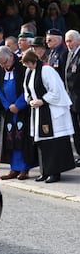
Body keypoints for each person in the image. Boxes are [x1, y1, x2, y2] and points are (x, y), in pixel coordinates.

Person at [22, 50, 75, 183]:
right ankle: (45, 171)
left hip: (51, 112)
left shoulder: (47, 70)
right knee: (42, 143)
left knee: (52, 143)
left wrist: (43, 100)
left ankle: (55, 172)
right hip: (38, 112)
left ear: (33, 61)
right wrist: (29, 100)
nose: (28, 67)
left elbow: (56, 91)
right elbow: (26, 89)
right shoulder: (30, 71)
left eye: (29, 64)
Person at [0, 46, 36, 180]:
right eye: (0, 63)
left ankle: (24, 168)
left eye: (5, 62)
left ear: (11, 57)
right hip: (9, 110)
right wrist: (7, 105)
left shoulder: (22, 66)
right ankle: (13, 168)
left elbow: (28, 87)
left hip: (22, 108)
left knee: (22, 139)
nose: (3, 66)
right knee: (10, 139)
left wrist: (18, 105)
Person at [64, 30, 80, 167]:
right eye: (67, 41)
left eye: (71, 41)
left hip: (79, 99)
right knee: (75, 130)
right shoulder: (70, 54)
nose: (68, 44)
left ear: (78, 40)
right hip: (72, 100)